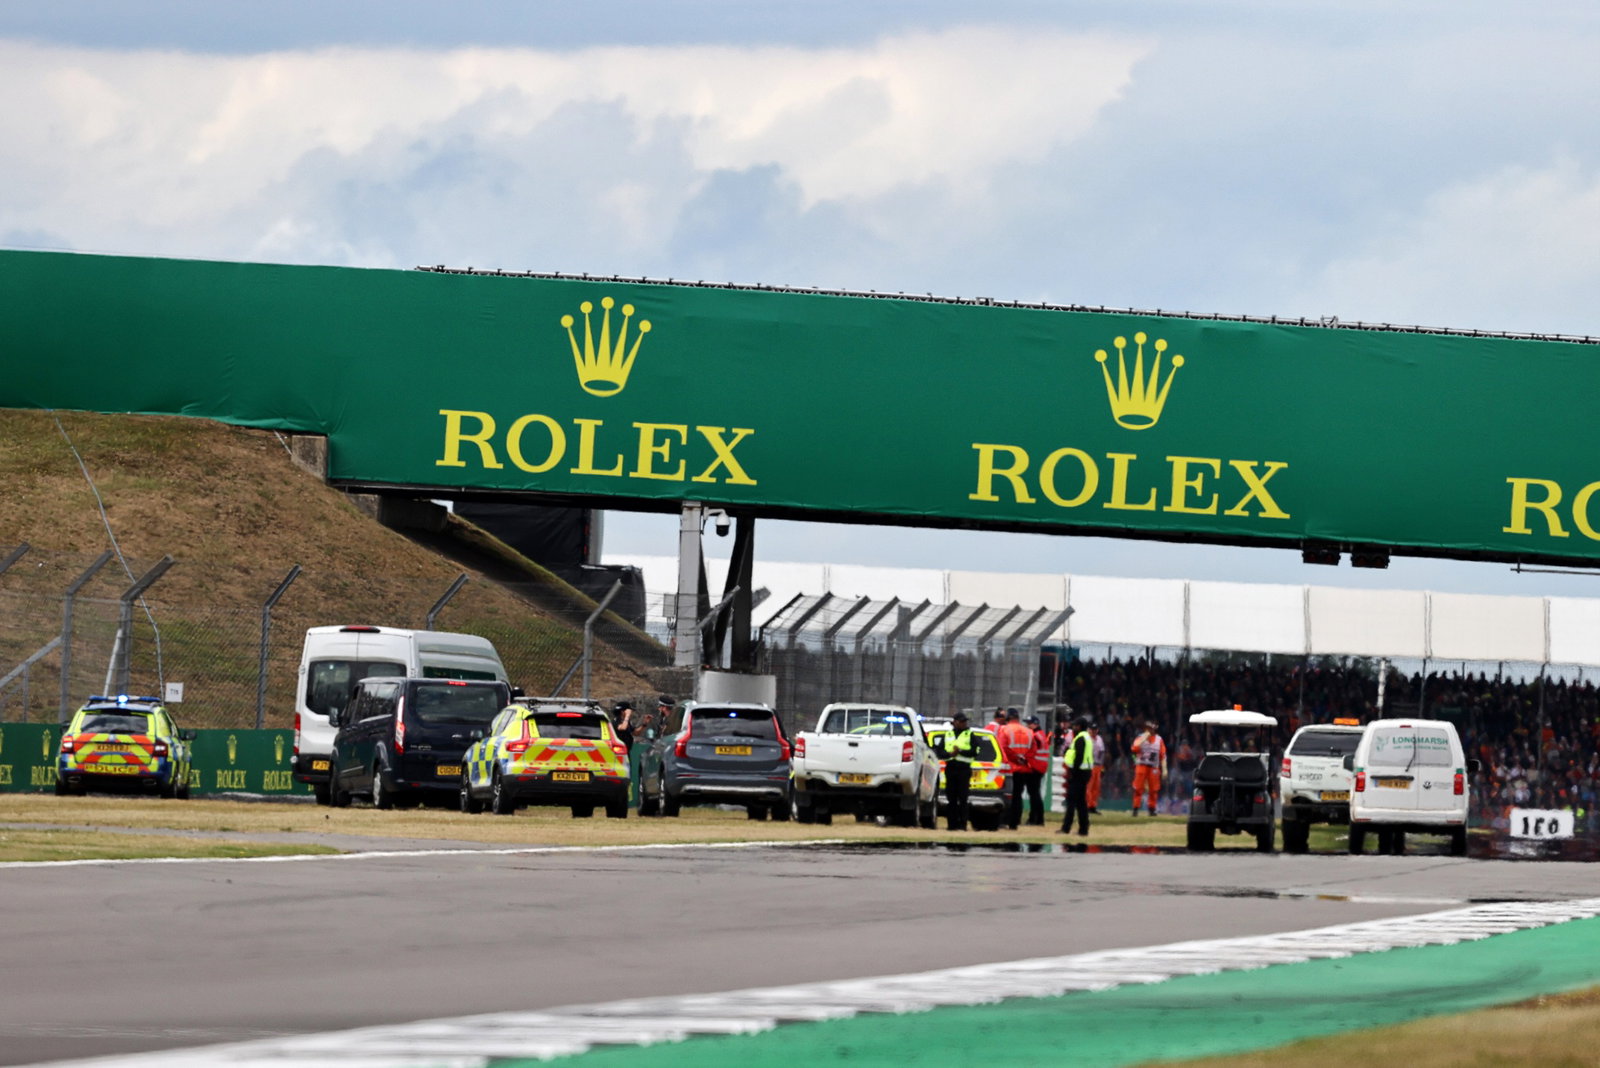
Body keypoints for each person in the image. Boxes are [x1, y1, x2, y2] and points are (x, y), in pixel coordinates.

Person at [998, 708, 1034, 830]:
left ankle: (1004, 820)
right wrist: (1024, 759)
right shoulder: (1029, 732)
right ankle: (1015, 822)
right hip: (1024, 768)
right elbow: (1033, 751)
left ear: (1008, 717)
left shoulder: (1004, 730)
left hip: (1009, 768)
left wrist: (1015, 758)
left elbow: (1002, 748)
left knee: (1007, 795)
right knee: (1018, 796)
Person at [1058, 715, 1095, 836]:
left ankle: (1066, 828)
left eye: (1075, 725)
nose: (1073, 727)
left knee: (1072, 802)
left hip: (1078, 773)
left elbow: (1078, 757)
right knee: (1081, 802)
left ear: (1080, 727)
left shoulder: (1080, 738)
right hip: (1085, 772)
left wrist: (1073, 772)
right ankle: (1083, 829)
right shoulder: (1086, 737)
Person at [944, 711, 976, 831]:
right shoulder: (948, 734)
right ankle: (951, 825)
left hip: (963, 769)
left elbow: (975, 751)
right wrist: (949, 754)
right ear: (955, 722)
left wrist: (960, 751)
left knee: (963, 799)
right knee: (951, 799)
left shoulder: (969, 734)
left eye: (965, 721)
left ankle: (963, 825)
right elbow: (940, 752)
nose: (964, 723)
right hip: (951, 769)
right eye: (962, 721)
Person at [1130, 719, 1167, 816]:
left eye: (1151, 728)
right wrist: (1144, 738)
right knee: (1138, 788)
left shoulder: (1159, 740)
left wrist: (1165, 769)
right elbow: (1134, 747)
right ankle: (1135, 809)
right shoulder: (1140, 737)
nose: (1149, 730)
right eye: (1147, 728)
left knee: (1154, 789)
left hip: (1154, 767)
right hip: (1141, 765)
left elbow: (1163, 756)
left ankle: (1152, 809)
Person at [1023, 715, 1050, 826]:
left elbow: (1030, 752)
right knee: (1035, 794)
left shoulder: (1035, 736)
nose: (1027, 726)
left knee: (1034, 794)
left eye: (1029, 724)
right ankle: (1038, 818)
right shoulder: (1041, 735)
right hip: (1040, 767)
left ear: (1035, 724)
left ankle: (1035, 819)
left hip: (1035, 767)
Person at [1087, 724, 1106, 814]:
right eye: (1092, 729)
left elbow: (1102, 753)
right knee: (1089, 787)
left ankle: (1093, 806)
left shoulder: (1099, 739)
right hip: (1089, 765)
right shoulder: (1087, 738)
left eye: (1095, 729)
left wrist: (1102, 767)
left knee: (1096, 787)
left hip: (1098, 765)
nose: (1094, 731)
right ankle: (1087, 805)